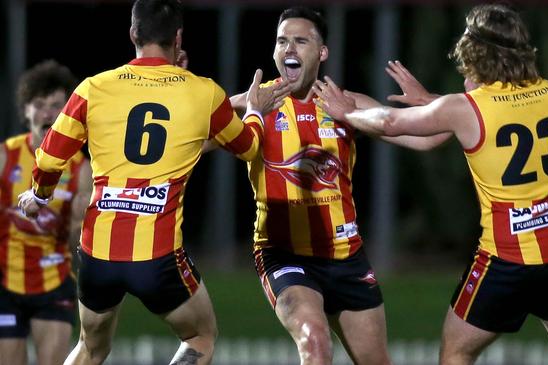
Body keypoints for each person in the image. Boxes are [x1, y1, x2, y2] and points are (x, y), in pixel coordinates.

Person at [314, 4, 548, 365]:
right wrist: (433, 102)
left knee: (457, 351)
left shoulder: (465, 108)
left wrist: (345, 112)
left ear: (477, 56)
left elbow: (390, 122)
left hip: (506, 259)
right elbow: (493, 113)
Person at [17, 0, 284, 364]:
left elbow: (48, 158)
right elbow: (250, 148)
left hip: (98, 254)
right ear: (178, 38)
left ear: (133, 34)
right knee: (201, 336)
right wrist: (254, 111)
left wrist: (41, 194)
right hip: (157, 258)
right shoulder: (202, 92)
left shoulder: (93, 88)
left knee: (90, 347)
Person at [227, 6, 392, 365]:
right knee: (314, 342)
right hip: (285, 255)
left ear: (322, 52)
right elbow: (190, 133)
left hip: (346, 257)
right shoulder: (252, 105)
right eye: (282, 41)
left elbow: (423, 137)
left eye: (300, 41)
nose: (289, 49)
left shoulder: (345, 105)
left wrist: (431, 106)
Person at [0, 60, 91, 365]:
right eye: (39, 105)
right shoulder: (6, 156)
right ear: (25, 111)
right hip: (5, 282)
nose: (48, 114)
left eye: (56, 105)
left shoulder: (81, 168)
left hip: (54, 283)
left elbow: (77, 240)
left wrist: (78, 223)